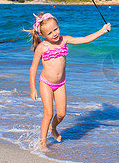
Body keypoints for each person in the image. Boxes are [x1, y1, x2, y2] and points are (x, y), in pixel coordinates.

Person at [28, 13, 111, 151]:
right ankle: (42, 143)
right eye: (49, 32)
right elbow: (33, 68)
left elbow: (85, 39)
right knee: (48, 113)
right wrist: (33, 88)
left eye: (56, 29)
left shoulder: (64, 40)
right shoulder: (42, 47)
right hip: (46, 83)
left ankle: (53, 127)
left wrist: (102, 30)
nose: (54, 34)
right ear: (42, 35)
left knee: (61, 114)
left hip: (60, 84)